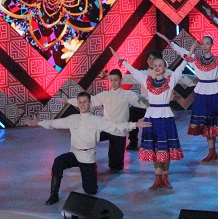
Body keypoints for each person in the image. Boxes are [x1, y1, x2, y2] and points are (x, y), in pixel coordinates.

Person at [24, 92, 148, 204]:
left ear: (89, 104)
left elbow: (115, 126)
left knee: (90, 191)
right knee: (58, 162)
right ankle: (53, 195)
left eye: (85, 102)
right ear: (77, 104)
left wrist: (135, 124)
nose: (82, 104)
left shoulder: (96, 120)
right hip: (74, 154)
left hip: (87, 157)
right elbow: (53, 123)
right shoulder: (72, 119)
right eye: (80, 102)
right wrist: (38, 123)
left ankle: (92, 170)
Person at [114, 47, 189, 189]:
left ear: (164, 67)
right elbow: (134, 72)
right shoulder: (147, 80)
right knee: (155, 148)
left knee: (165, 148)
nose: (157, 68)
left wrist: (187, 58)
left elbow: (180, 69)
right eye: (155, 66)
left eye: (160, 65)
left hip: (165, 117)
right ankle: (157, 178)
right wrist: (123, 62)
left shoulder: (170, 81)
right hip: (151, 116)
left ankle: (165, 177)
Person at [167, 35, 218, 161]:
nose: (205, 46)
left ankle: (213, 151)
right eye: (203, 43)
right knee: (205, 123)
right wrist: (171, 44)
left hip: (214, 93)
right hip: (202, 93)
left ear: (212, 45)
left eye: (207, 43)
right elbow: (183, 52)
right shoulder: (196, 59)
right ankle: (211, 151)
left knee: (214, 122)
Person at [65, 70, 143, 173]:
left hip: (119, 131)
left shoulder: (127, 94)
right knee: (86, 136)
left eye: (116, 80)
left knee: (116, 166)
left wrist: (158, 103)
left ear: (121, 81)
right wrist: (68, 100)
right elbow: (88, 101)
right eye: (111, 80)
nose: (113, 82)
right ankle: (84, 161)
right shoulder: (105, 95)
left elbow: (141, 101)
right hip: (105, 128)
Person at [119, 50, 194, 150]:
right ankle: (133, 142)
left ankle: (163, 144)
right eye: (149, 58)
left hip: (161, 109)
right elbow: (130, 76)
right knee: (132, 112)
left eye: (153, 58)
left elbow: (183, 78)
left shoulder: (167, 74)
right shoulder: (144, 75)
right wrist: (112, 76)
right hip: (146, 106)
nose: (151, 61)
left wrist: (202, 78)